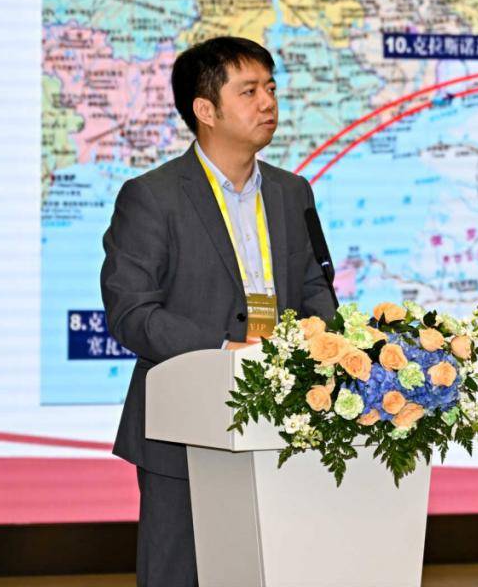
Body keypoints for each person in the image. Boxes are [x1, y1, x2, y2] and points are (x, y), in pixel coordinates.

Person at [100, 36, 337, 586]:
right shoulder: (152, 196)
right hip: (184, 423)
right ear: (205, 110)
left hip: (284, 420)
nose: (268, 102)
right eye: (249, 91)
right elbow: (132, 312)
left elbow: (315, 290)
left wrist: (317, 345)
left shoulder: (292, 191)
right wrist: (224, 351)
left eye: (270, 88)